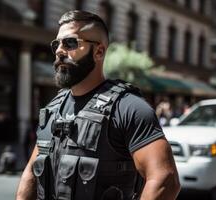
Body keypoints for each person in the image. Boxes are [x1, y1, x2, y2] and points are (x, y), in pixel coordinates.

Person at [16, 10, 180, 200]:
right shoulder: (53, 108)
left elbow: (165, 180)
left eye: (70, 43)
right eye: (57, 44)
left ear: (99, 51)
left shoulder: (129, 107)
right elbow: (31, 172)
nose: (60, 50)